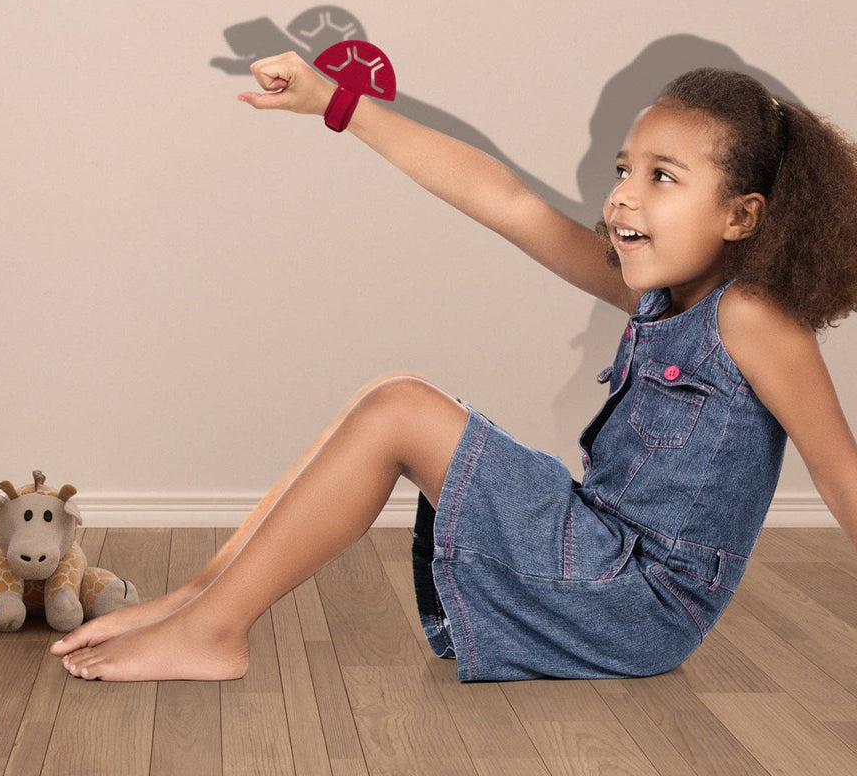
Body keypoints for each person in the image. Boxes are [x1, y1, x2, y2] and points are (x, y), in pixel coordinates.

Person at [51, 57, 857, 682]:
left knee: (402, 408)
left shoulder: (752, 319)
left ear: (742, 214)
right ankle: (202, 599)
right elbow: (503, 198)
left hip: (634, 603)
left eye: (662, 177)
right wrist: (337, 100)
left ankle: (215, 632)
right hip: (600, 561)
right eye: (623, 169)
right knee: (386, 400)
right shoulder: (660, 295)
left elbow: (839, 472)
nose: (621, 198)